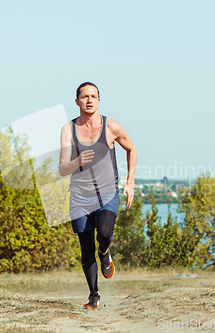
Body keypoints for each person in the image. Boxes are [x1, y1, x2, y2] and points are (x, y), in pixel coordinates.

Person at [59, 82, 137, 310]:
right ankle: (94, 295)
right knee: (85, 247)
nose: (89, 100)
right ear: (77, 101)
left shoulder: (111, 127)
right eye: (85, 97)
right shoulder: (68, 130)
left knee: (104, 233)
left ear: (99, 100)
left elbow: (131, 149)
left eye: (93, 96)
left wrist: (130, 182)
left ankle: (105, 251)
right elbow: (62, 169)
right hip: (80, 197)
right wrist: (77, 162)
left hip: (107, 192)